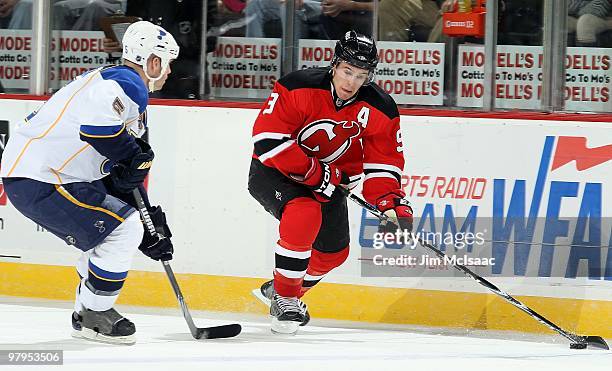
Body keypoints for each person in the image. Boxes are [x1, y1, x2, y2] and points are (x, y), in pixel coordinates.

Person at [0, 20, 178, 344]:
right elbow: (99, 133)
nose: (168, 72)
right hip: (41, 176)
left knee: (120, 229)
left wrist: (150, 219)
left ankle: (87, 312)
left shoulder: (115, 87)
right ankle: (95, 313)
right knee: (125, 228)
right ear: (153, 62)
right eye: (167, 64)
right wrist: (131, 157)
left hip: (47, 174)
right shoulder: (127, 83)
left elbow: (123, 175)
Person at [248, 30, 413, 334]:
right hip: (274, 170)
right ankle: (285, 298)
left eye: (361, 75)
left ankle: (282, 288)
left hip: (330, 182)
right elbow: (267, 140)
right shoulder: (298, 85)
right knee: (304, 212)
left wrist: (390, 203)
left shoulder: (381, 108)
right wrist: (315, 173)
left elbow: (383, 163)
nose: (351, 82)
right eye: (347, 71)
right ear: (335, 64)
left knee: (333, 253)